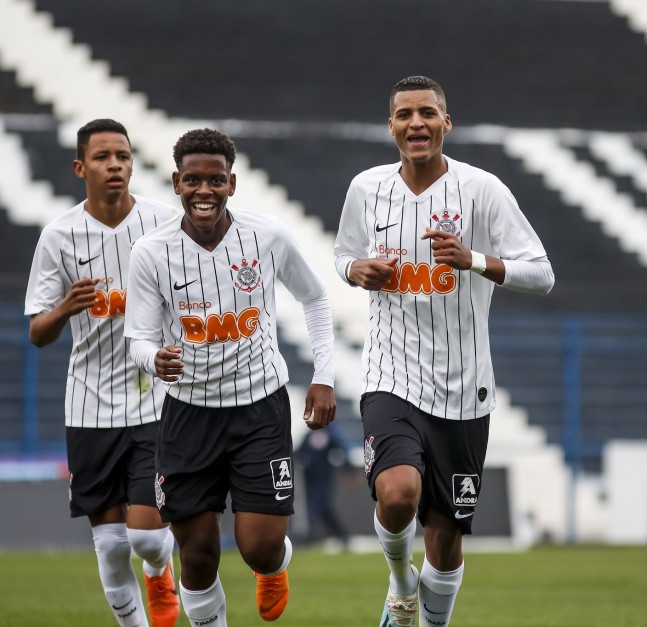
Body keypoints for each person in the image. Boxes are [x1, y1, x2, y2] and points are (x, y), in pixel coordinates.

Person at [334, 75, 555, 627]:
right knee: (398, 493)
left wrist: (475, 260)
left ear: (445, 123)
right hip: (391, 373)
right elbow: (344, 255)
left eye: (427, 113)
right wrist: (354, 269)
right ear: (391, 126)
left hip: (463, 386)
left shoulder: (482, 190)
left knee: (446, 540)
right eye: (404, 114)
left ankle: (424, 619)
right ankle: (400, 582)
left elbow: (542, 274)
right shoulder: (366, 189)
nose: (416, 124)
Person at [123, 128, 337, 626]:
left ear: (232, 184)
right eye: (193, 179)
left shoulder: (267, 235)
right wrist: (153, 359)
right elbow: (137, 337)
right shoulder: (151, 252)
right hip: (187, 415)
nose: (205, 191)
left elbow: (315, 297)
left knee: (258, 547)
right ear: (176, 182)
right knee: (196, 553)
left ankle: (273, 567)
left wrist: (323, 376)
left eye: (215, 180)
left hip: (259, 408)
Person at [24, 118, 179, 627]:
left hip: (154, 398)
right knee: (112, 547)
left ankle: (160, 572)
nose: (115, 165)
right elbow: (39, 333)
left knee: (148, 538)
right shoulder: (59, 236)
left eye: (123, 156)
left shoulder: (163, 223)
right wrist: (67, 306)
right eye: (102, 157)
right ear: (80, 167)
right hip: (90, 402)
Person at [294, 420, 353, 548]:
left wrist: (349, 471)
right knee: (323, 508)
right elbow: (299, 452)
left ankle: (309, 538)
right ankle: (342, 535)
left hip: (324, 477)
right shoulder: (310, 433)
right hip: (310, 478)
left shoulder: (331, 432)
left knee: (316, 506)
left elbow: (343, 449)